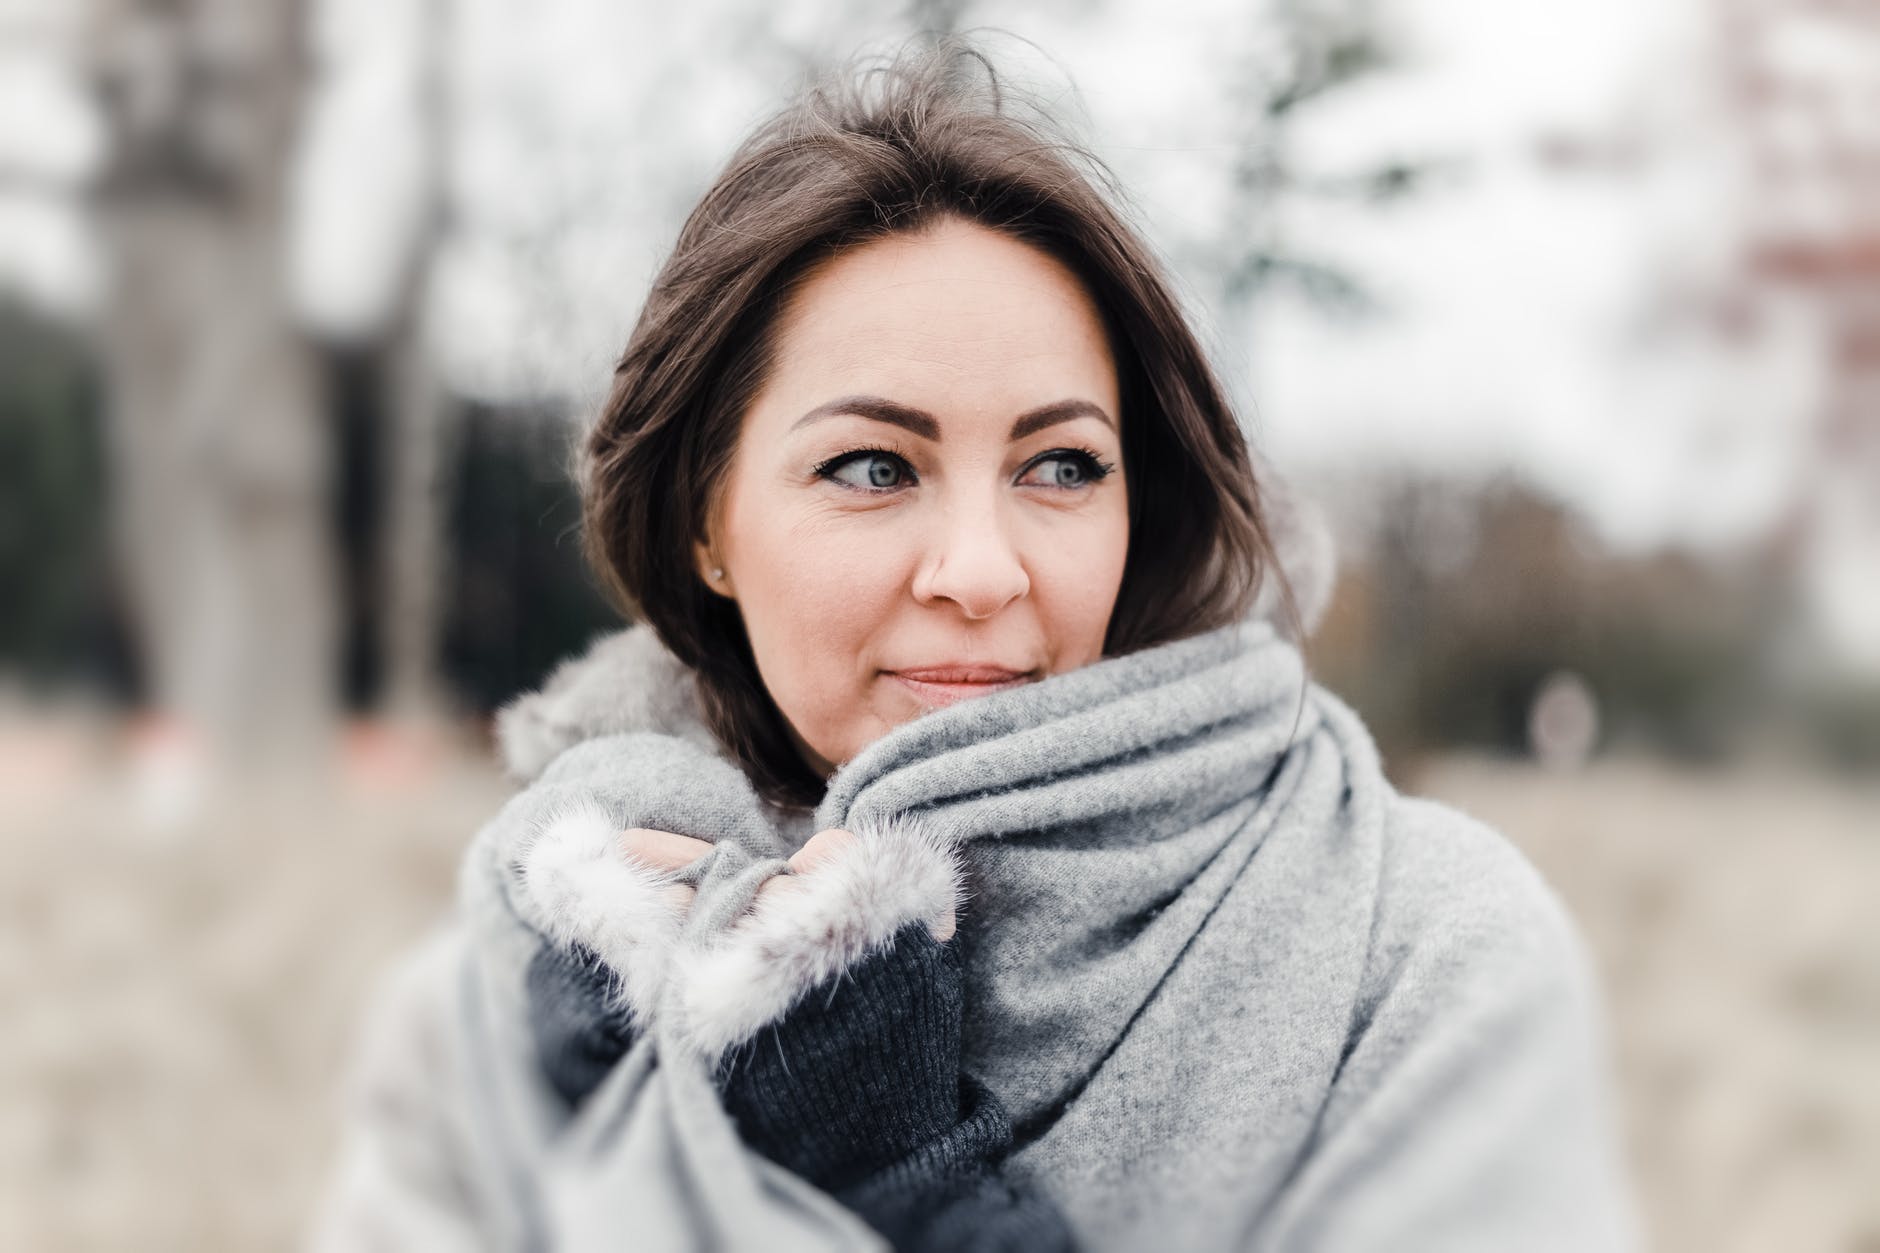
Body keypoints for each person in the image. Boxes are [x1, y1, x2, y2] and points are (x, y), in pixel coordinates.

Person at [310, 34, 1640, 1253]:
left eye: (1062, 464)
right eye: (875, 465)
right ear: (708, 525)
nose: (981, 571)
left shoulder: (1420, 956)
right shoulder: (524, 975)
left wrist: (900, 1181)